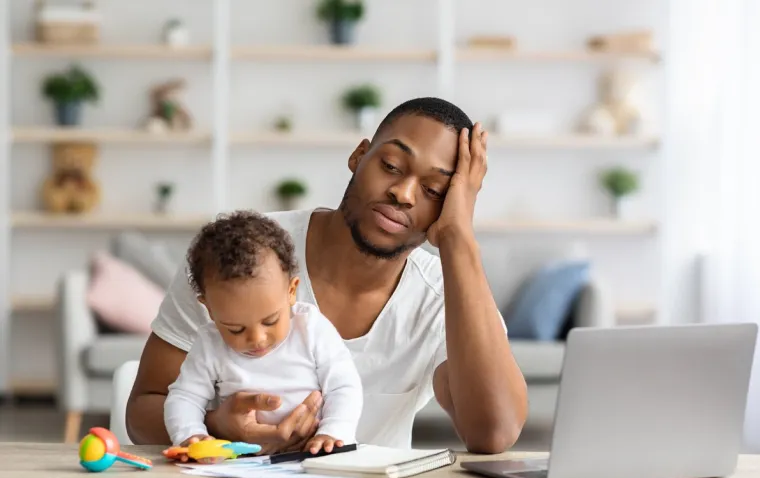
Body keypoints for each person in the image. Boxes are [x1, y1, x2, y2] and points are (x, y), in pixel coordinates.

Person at [127, 96, 528, 453]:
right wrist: (218, 427)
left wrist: (459, 237)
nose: (404, 193)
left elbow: (492, 433)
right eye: (390, 165)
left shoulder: (443, 296)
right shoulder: (233, 257)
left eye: (434, 191)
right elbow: (142, 410)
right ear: (359, 156)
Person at [163, 212, 362, 455]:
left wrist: (333, 431)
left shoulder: (310, 328)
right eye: (236, 329)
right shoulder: (210, 343)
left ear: (291, 291)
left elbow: (344, 386)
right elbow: (184, 397)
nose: (257, 339)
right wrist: (191, 435)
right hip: (241, 460)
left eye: (270, 321)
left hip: (311, 456)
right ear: (208, 308)